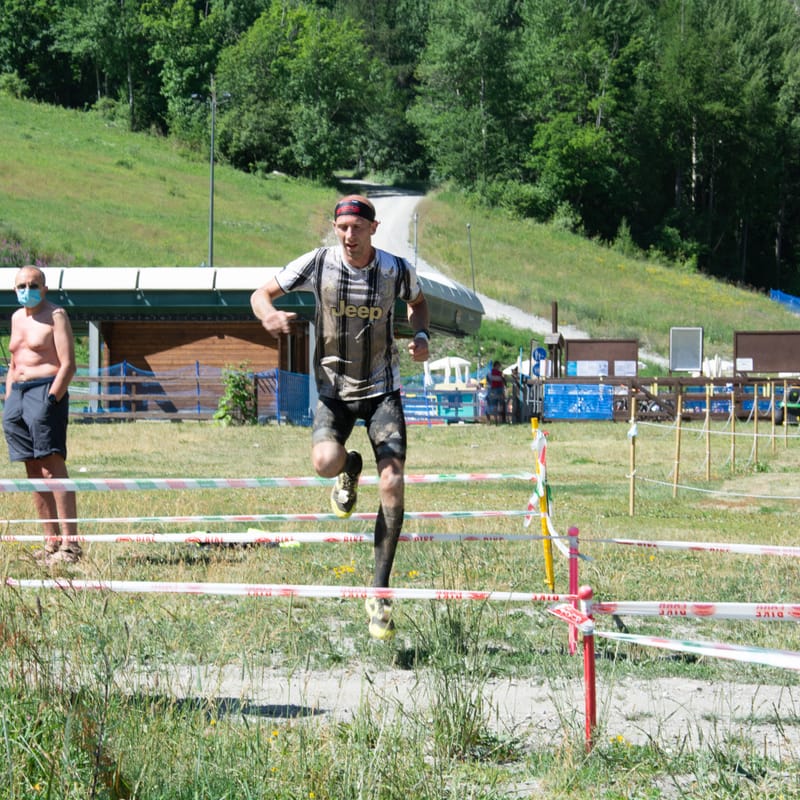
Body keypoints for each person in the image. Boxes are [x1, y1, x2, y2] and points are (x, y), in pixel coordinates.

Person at [251, 194, 430, 641]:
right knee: (324, 463)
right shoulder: (318, 263)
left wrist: (422, 333)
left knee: (392, 481)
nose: (349, 236)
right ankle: (349, 467)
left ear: (373, 228)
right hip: (333, 389)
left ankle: (379, 592)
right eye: (342, 228)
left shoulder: (395, 269)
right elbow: (260, 293)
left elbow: (419, 303)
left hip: (383, 389)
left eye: (357, 228)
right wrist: (269, 315)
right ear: (336, 229)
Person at [3, 265, 80, 564]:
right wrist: (10, 397)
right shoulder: (15, 318)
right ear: (15, 289)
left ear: (44, 288)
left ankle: (70, 546)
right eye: (22, 284)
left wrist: (51, 398)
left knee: (52, 467)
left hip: (45, 391)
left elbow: (68, 364)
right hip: (17, 397)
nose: (27, 289)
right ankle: (50, 543)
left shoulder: (56, 315)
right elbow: (13, 361)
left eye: (33, 284)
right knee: (33, 471)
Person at [486, 359, 507, 424]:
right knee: (501, 405)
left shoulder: (489, 373)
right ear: (497, 365)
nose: (499, 367)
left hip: (492, 391)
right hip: (499, 390)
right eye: (499, 366)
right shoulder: (500, 373)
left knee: (493, 406)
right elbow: (504, 382)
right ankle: (500, 420)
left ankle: (494, 421)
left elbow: (488, 382)